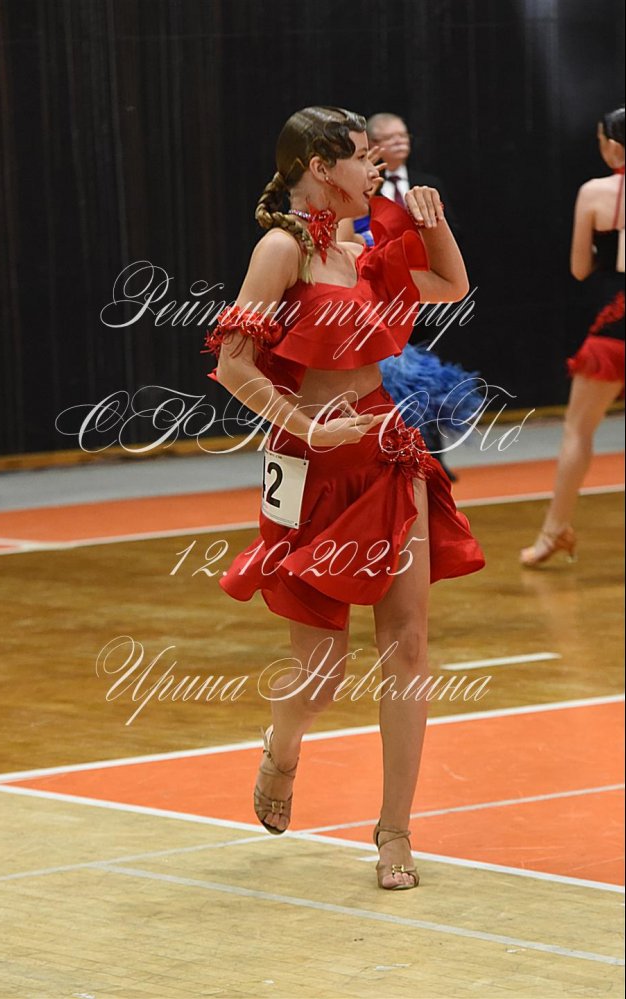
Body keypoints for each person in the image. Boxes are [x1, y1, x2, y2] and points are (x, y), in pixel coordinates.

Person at [204, 106, 485, 890]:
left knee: (409, 643)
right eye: (362, 157)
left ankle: (395, 828)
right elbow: (234, 364)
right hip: (313, 464)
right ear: (320, 168)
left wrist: (432, 222)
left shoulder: (365, 248)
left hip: (389, 451)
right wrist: (306, 426)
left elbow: (451, 284)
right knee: (322, 672)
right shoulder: (281, 249)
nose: (376, 169)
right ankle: (283, 744)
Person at [520, 107, 625, 567]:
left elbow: (580, 268)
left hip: (614, 326)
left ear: (612, 145)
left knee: (577, 432)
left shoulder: (595, 192)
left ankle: (553, 532)